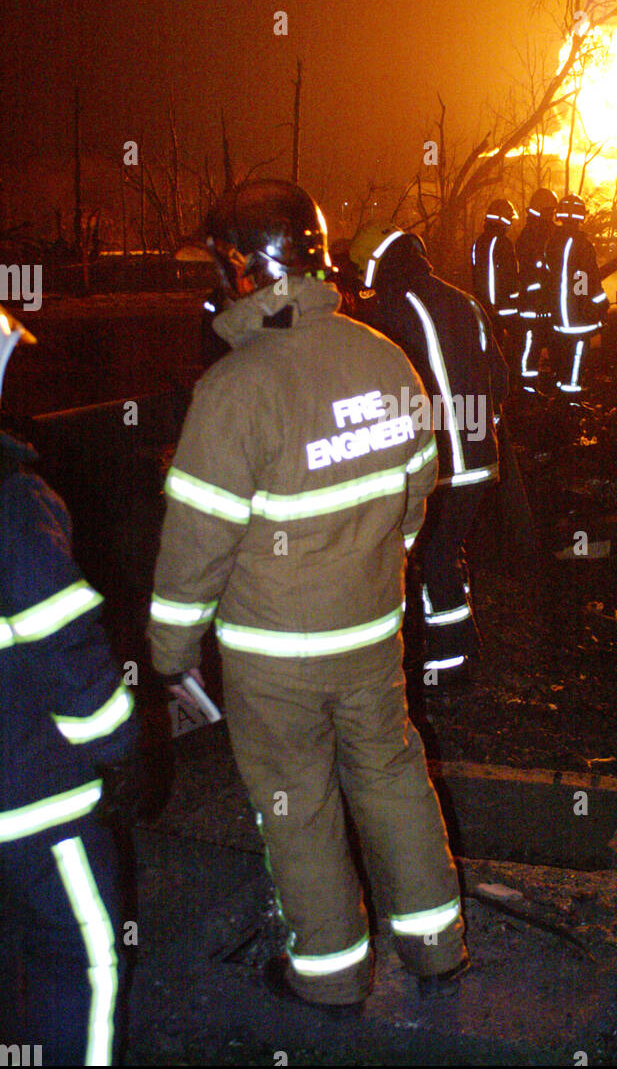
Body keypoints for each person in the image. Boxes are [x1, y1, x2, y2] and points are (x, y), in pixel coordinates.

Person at [146, 182, 467, 1011]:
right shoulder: (383, 356)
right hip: (371, 636)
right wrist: (373, 570)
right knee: (393, 776)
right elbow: (415, 494)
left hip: (274, 658)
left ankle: (327, 977)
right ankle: (436, 946)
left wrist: (170, 656)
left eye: (220, 265)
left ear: (249, 272)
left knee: (298, 801)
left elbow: (195, 546)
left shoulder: (234, 390)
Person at [0, 305, 137, 1065]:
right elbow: (69, 656)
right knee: (79, 964)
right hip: (34, 806)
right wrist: (121, 744)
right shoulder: (15, 509)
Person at [349, 223, 508, 687]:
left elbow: (386, 391)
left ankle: (451, 658)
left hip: (438, 465)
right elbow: (499, 378)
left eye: (360, 269)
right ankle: (454, 648)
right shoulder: (465, 301)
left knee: (432, 552)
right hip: (481, 457)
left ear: (377, 262)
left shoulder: (392, 309)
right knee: (447, 548)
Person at [546, 194, 609, 401]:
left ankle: (558, 393)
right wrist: (597, 303)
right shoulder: (582, 245)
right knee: (576, 357)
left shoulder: (552, 243)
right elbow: (583, 278)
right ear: (581, 216)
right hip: (577, 319)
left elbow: (551, 277)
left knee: (561, 358)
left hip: (557, 317)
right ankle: (570, 402)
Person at [514, 187, 558, 394]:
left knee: (552, 351)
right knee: (531, 351)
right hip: (533, 307)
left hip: (546, 307)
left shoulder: (544, 233)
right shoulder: (531, 236)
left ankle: (544, 390)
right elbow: (535, 270)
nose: (552, 216)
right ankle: (528, 392)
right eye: (549, 211)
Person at [470, 199, 520, 345]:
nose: (510, 223)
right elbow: (509, 276)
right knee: (511, 349)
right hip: (503, 309)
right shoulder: (503, 243)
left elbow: (477, 276)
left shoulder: (478, 242)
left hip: (484, 308)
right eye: (509, 219)